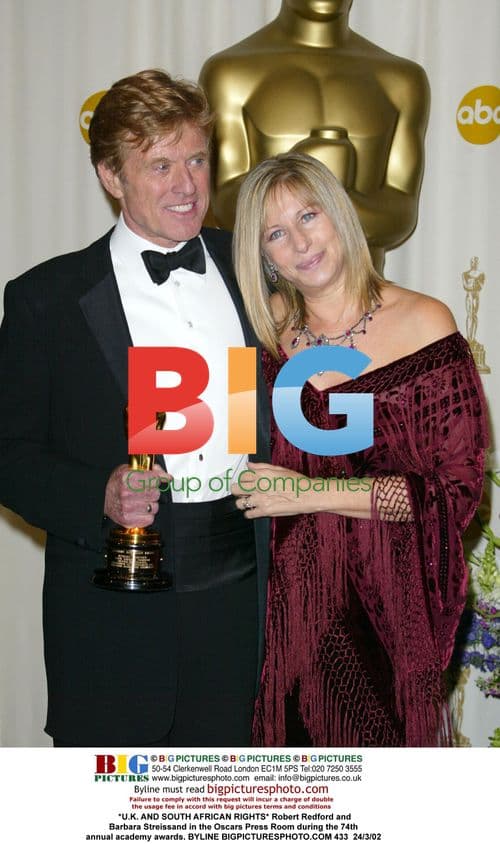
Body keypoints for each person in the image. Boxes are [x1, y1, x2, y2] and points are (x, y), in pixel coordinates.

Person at [0, 69, 269, 747]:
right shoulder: (45, 298)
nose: (186, 184)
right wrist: (100, 492)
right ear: (111, 177)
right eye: (159, 164)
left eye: (197, 159)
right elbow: (10, 456)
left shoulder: (258, 269)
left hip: (245, 606)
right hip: (113, 619)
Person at [231, 152, 488, 747]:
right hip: (285, 621)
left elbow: (456, 491)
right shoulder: (257, 340)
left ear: (339, 215)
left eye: (309, 215)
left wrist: (307, 493)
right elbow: (217, 460)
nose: (299, 241)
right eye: (276, 233)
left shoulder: (425, 322)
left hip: (388, 619)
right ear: (263, 257)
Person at [200, 0, 430, 273]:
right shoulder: (229, 74)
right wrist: (308, 181)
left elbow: (401, 214)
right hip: (263, 300)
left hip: (366, 302)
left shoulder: (402, 81)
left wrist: (315, 197)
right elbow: (226, 206)